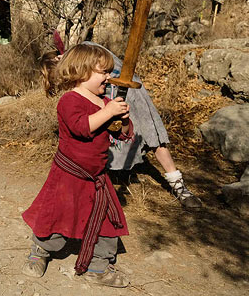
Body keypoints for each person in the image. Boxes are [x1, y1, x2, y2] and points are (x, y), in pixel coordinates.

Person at [23, 43, 133, 287]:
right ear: (81, 72)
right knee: (57, 218)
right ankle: (40, 251)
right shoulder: (69, 100)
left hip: (97, 178)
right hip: (69, 176)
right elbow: (81, 127)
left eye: (109, 72)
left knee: (106, 224)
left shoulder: (104, 102)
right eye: (103, 72)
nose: (109, 77)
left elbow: (122, 135)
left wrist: (122, 120)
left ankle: (98, 267)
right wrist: (108, 112)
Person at [42, 42, 202, 210]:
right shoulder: (76, 96)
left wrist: (121, 118)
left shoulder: (90, 52)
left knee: (154, 136)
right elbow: (83, 128)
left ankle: (178, 186)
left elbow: (121, 131)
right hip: (87, 166)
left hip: (129, 93)